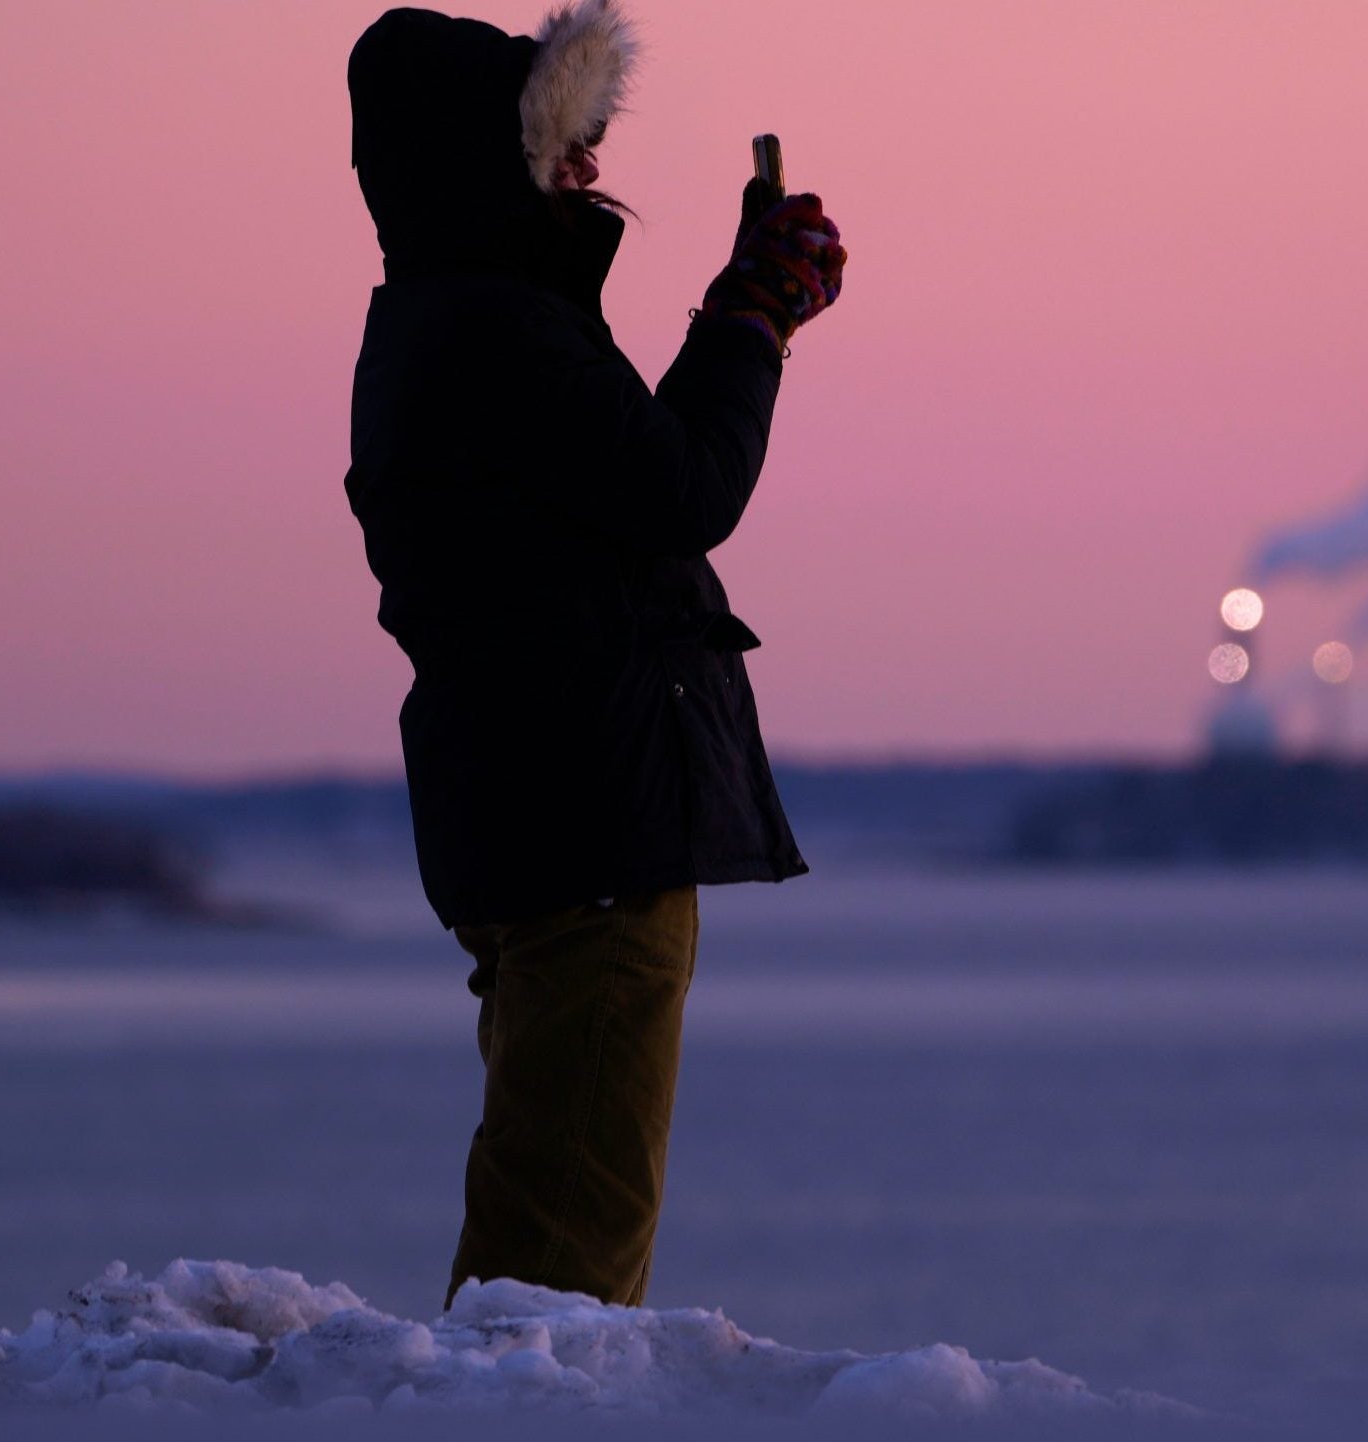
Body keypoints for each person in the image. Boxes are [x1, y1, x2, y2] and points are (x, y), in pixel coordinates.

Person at [343, 0, 844, 1311]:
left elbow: (634, 482)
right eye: (558, 146)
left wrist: (746, 315)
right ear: (485, 164)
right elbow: (683, 493)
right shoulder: (496, 332)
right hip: (591, 845)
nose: (589, 172)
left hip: (541, 831)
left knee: (541, 1218)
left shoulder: (455, 328)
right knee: (563, 1263)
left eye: (586, 142)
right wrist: (753, 318)